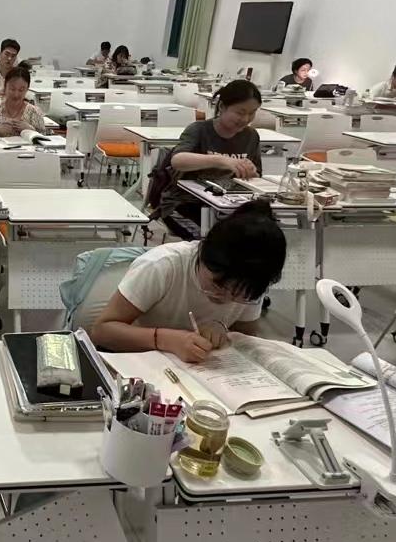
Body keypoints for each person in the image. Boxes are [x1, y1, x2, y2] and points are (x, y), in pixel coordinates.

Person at [89, 199, 285, 362]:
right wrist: (165, 340)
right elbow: (101, 331)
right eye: (217, 285)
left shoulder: (251, 282)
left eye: (238, 294)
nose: (225, 298)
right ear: (202, 254)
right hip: (140, 364)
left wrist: (222, 331)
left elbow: (244, 337)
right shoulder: (162, 266)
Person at [145, 79, 264, 231]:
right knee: (213, 237)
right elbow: (178, 160)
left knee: (260, 232)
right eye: (240, 113)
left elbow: (257, 175)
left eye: (252, 113)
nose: (246, 119)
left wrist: (250, 172)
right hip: (184, 203)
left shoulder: (251, 136)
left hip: (226, 204)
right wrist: (221, 160)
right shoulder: (199, 130)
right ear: (222, 107)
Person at [0, 66, 47, 137]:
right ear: (5, 86)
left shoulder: (34, 112)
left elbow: (44, 139)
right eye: (12, 89)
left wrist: (31, 130)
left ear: (27, 89)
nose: (16, 95)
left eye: (21, 90)